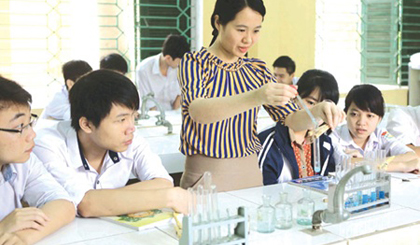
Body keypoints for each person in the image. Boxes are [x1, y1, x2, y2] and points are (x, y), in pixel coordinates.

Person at [178, 0, 344, 191]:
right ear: (218, 22)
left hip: (250, 175)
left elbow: (291, 119)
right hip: (206, 177)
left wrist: (317, 112)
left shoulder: (257, 70)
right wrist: (256, 97)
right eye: (241, 30)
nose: (248, 39)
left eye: (256, 31)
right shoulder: (195, 62)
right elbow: (198, 111)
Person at [33, 70, 188, 218]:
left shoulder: (130, 137)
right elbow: (86, 205)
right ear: (87, 124)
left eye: (134, 116)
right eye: (121, 119)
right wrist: (169, 198)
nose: (131, 128)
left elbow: (163, 183)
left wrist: (105, 200)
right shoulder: (48, 145)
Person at [0, 76, 75, 245]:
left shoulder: (22, 161)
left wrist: (22, 238)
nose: (32, 135)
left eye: (30, 123)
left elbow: (63, 204)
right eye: (20, 127)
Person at [258, 69, 338, 185]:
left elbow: (328, 187)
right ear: (295, 97)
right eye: (311, 103)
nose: (317, 112)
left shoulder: (324, 143)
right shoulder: (269, 143)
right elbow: (262, 193)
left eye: (324, 108)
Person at [330, 84, 420, 173]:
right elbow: (348, 164)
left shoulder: (381, 134)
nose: (361, 122)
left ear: (379, 119)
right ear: (345, 114)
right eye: (354, 114)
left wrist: (363, 160)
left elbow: (411, 156)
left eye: (369, 116)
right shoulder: (334, 136)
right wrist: (402, 166)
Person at [136, 34, 190, 111]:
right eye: (179, 62)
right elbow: (149, 104)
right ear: (168, 58)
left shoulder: (181, 69)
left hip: (174, 116)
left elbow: (180, 97)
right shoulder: (143, 70)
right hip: (151, 117)